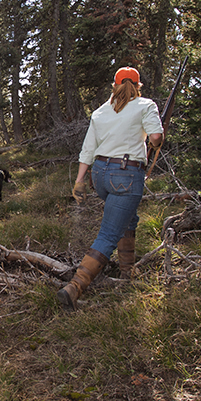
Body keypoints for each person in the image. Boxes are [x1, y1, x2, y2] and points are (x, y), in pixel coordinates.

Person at [59, 67, 163, 311]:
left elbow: (88, 148)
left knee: (128, 218)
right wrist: (157, 137)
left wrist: (79, 180)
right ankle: (74, 287)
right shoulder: (146, 105)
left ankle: (128, 274)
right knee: (108, 233)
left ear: (114, 86)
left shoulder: (100, 111)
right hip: (125, 175)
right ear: (138, 86)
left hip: (100, 175)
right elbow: (156, 138)